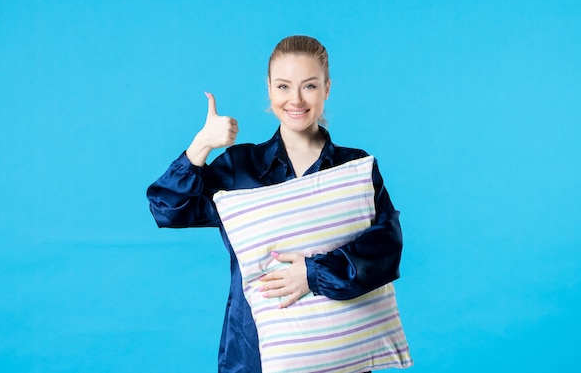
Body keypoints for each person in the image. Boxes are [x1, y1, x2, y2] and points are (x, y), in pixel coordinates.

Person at [146, 35, 404, 373]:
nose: (295, 99)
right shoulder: (241, 168)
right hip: (254, 353)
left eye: (309, 86)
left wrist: (312, 274)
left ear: (327, 88)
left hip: (341, 356)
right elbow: (167, 209)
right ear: (269, 89)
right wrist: (202, 145)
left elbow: (386, 247)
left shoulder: (354, 168)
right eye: (283, 86)